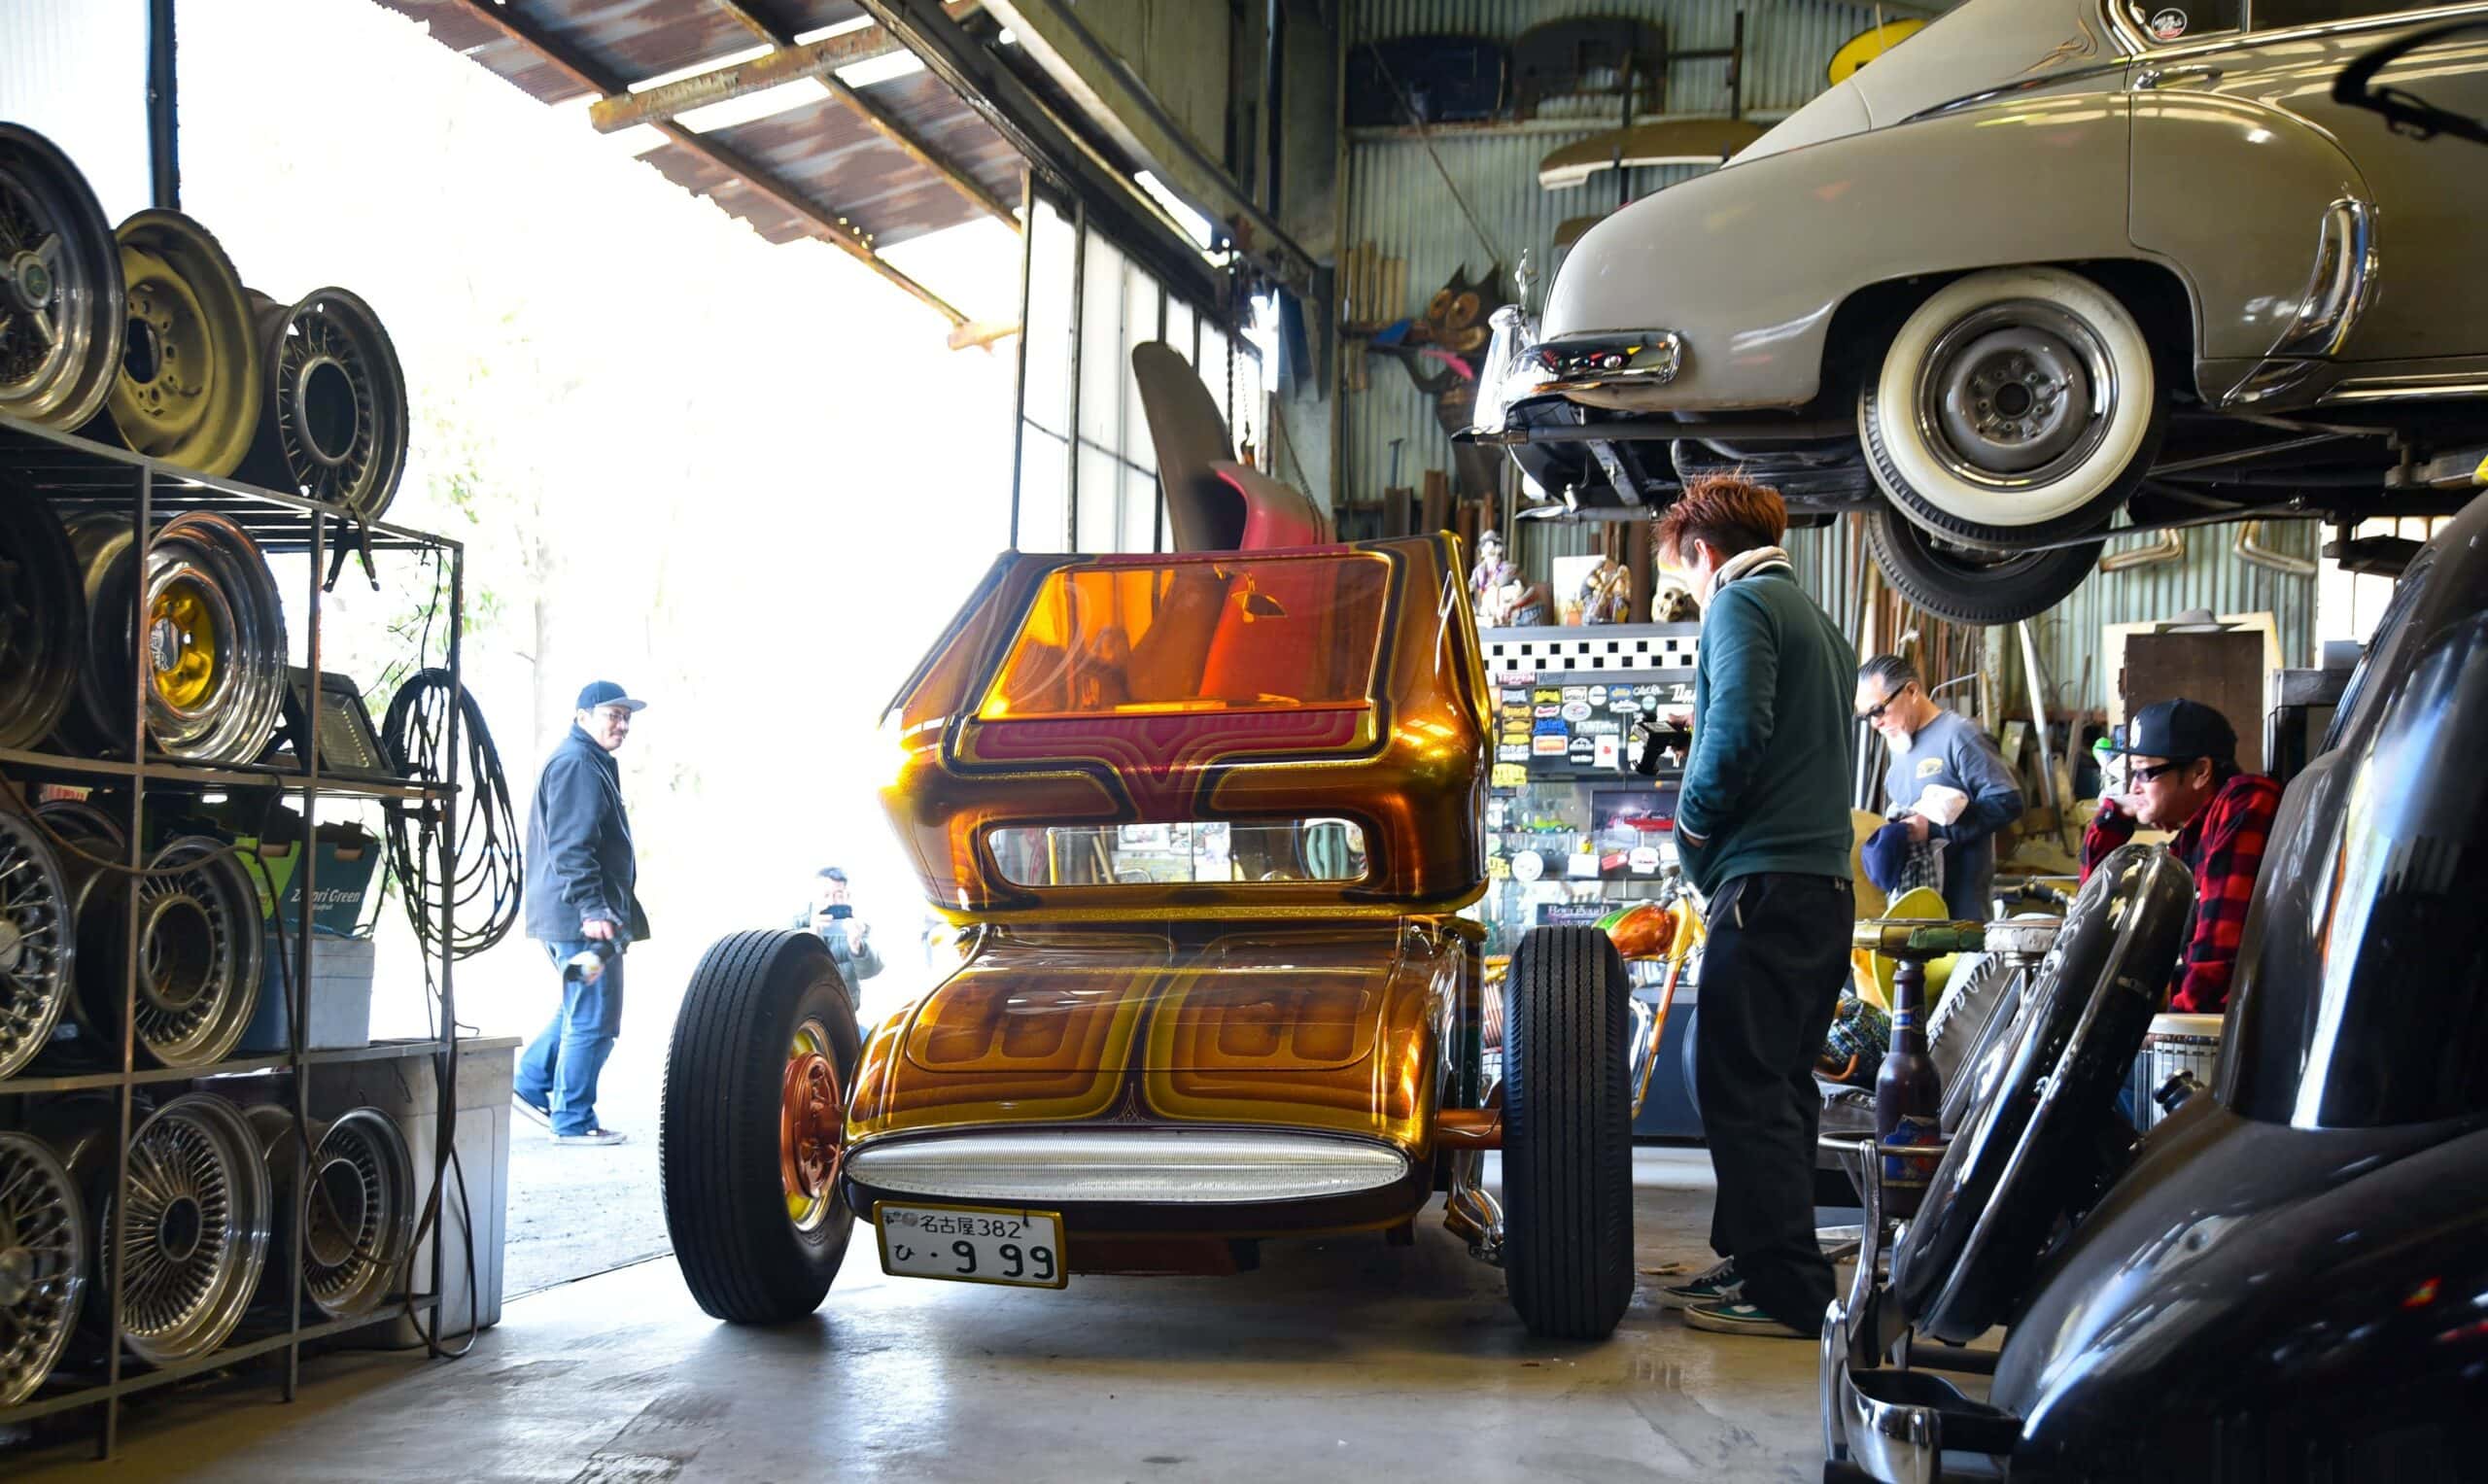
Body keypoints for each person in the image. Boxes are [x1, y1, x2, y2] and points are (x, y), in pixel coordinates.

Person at [1649, 475, 1859, 1340]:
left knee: (1738, 1082)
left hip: (1765, 884)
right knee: (1776, 1083)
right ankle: (1759, 1255)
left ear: (1703, 552)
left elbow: (1736, 734)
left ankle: (1787, 1291)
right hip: (1821, 888)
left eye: (1683, 574)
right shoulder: (1820, 622)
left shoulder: (1740, 605)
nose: (1691, 590)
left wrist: (1691, 828)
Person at [515, 681, 651, 1147]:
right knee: (595, 1017)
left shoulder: (588, 761)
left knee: (578, 1002)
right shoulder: (577, 764)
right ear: (582, 717)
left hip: (574, 916)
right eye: (613, 714)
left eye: (626, 717)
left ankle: (530, 1083)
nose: (622, 724)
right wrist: (593, 908)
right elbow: (572, 846)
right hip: (582, 920)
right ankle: (573, 1120)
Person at [2083, 698, 2280, 1014]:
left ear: (2200, 771)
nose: (2134, 787)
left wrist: (2181, 1023)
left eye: (2146, 772)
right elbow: (2099, 911)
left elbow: (2218, 953)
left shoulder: (2246, 802)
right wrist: (2113, 818)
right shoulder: (2192, 840)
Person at [1855, 655, 2025, 922]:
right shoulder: (1900, 747)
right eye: (1866, 717)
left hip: (1961, 918)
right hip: (1914, 914)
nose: (1875, 723)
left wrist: (1934, 829)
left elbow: (2008, 802)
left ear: (1912, 691)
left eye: (1878, 710)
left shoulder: (1958, 735)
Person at [793, 866, 882, 990]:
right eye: (825, 895)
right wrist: (812, 937)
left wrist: (857, 946)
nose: (831, 901)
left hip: (845, 999)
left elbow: (870, 972)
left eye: (838, 895)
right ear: (814, 896)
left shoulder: (856, 924)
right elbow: (789, 972)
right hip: (809, 998)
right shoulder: (797, 923)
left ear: (847, 896)